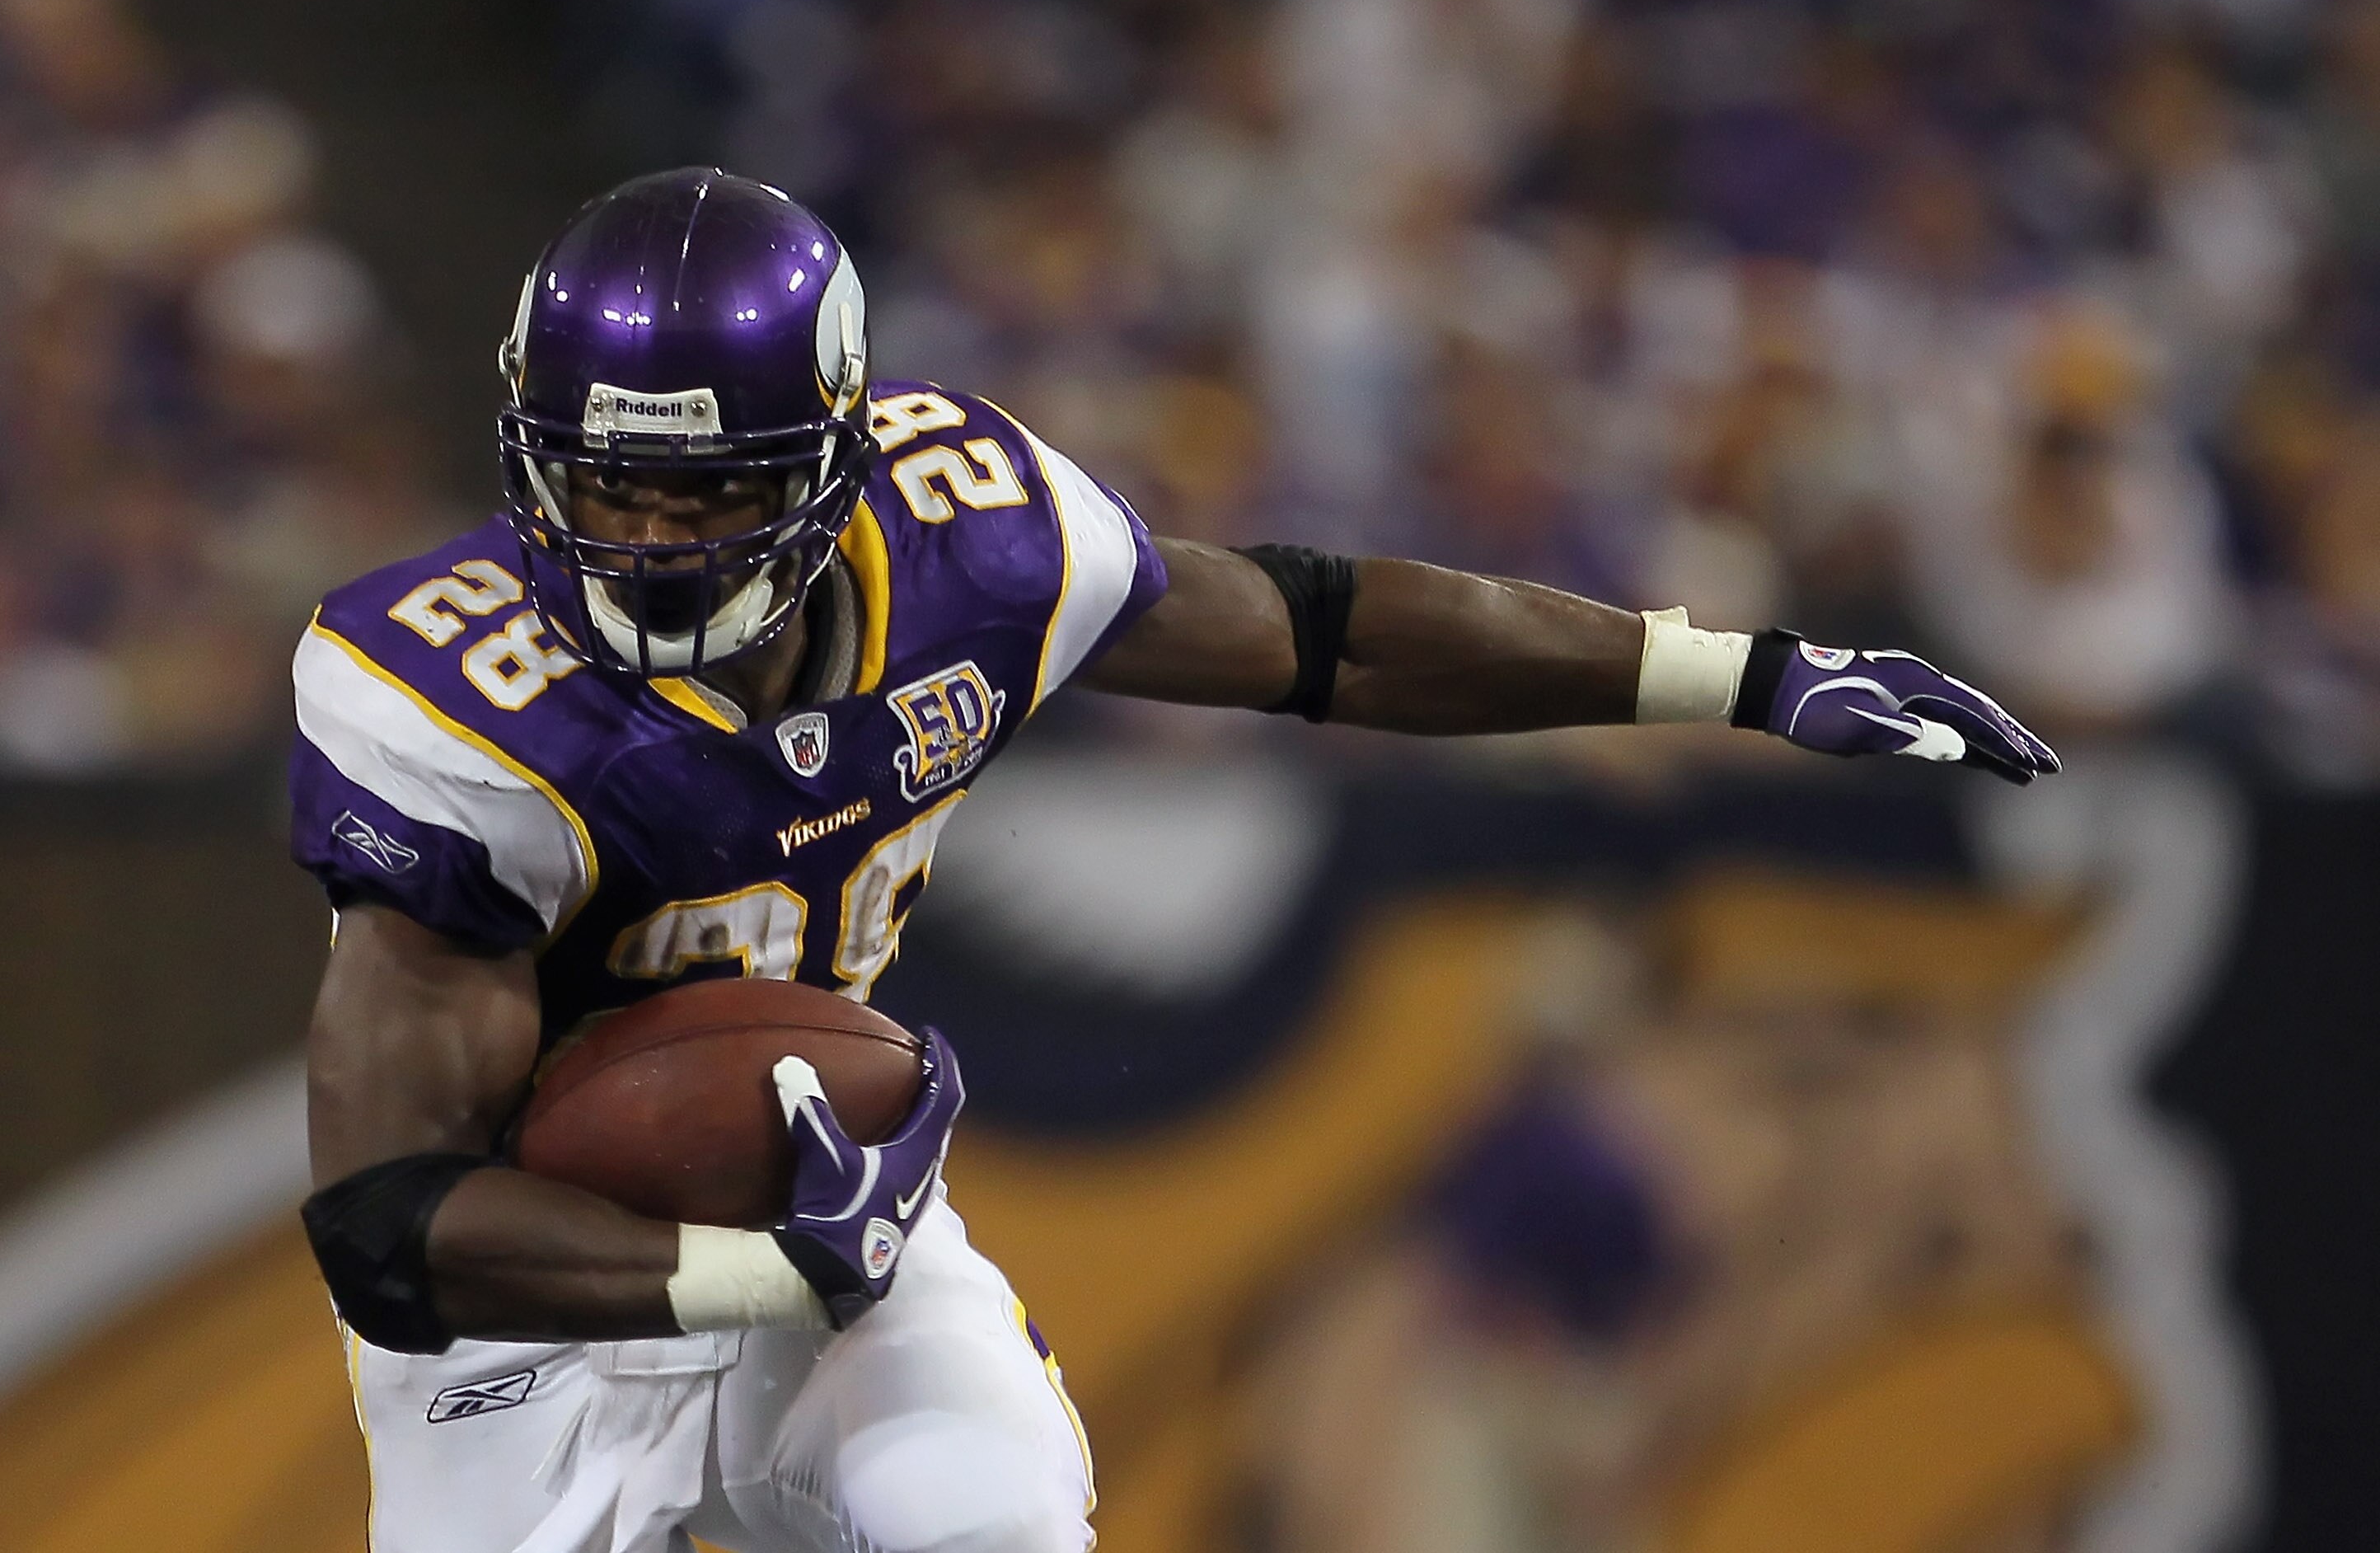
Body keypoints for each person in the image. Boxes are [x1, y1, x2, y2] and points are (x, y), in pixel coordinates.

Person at [289, 169, 2058, 1553]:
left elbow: (1323, 632)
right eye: (604, 490)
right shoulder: (454, 708)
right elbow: (387, 1227)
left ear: (832, 460)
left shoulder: (974, 539)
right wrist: (768, 1268)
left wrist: (1736, 671)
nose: (647, 546)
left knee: (999, 1512)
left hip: (811, 1196)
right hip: (526, 1303)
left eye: (702, 497)